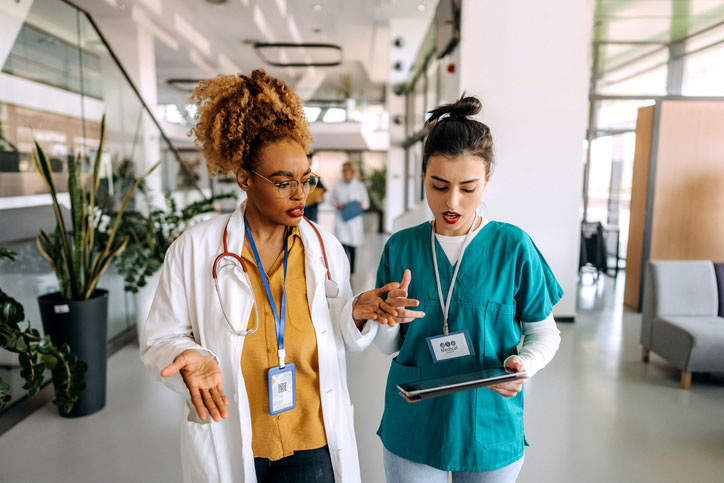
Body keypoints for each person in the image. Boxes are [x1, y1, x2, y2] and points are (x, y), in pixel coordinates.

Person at [140, 70, 421, 483]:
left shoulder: (325, 249)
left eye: (306, 180)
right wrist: (187, 358)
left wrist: (355, 314)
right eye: (282, 182)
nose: (299, 194)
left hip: (313, 438)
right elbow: (162, 339)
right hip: (237, 435)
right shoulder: (195, 249)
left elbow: (336, 332)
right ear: (243, 179)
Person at [370, 95, 563, 483]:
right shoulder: (402, 246)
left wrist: (524, 365)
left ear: (487, 179)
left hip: (487, 419)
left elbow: (545, 333)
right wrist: (389, 318)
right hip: (415, 419)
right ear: (423, 174)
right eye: (438, 185)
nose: (452, 201)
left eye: (468, 187)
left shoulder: (512, 246)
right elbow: (389, 346)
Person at [329, 161, 369, 273]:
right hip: (341, 220)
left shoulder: (359, 186)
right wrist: (337, 204)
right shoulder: (337, 186)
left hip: (354, 222)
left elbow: (366, 203)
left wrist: (361, 204)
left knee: (353, 248)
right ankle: (343, 272)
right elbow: (331, 200)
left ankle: (352, 273)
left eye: (348, 170)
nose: (346, 173)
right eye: (344, 171)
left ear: (352, 172)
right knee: (342, 248)